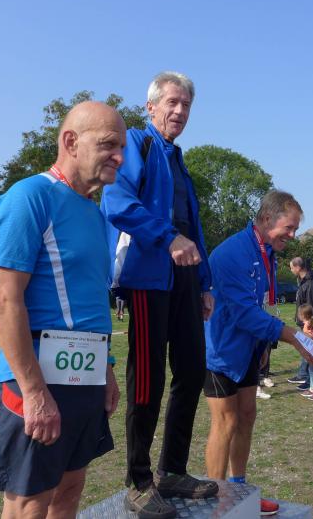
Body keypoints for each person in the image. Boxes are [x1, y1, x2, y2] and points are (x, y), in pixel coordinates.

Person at [0, 101, 123, 517]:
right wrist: (33, 391)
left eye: (122, 148)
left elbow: (90, 298)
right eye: (109, 144)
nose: (119, 157)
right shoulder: (28, 197)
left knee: (70, 487)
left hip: (86, 374)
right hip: (39, 376)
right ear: (71, 142)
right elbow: (3, 298)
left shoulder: (94, 213)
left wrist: (106, 368)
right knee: (30, 499)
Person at [100, 72, 218, 517]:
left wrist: (204, 282)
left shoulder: (178, 158)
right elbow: (117, 202)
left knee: (192, 371)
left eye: (186, 105)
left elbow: (193, 227)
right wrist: (167, 238)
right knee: (147, 380)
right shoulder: (138, 143)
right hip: (149, 276)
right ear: (151, 107)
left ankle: (173, 471)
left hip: (186, 277)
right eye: (172, 102)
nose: (180, 111)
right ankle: (139, 479)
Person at [203, 190, 313, 516]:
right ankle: (216, 502)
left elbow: (261, 303)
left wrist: (263, 345)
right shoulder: (232, 253)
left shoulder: (265, 252)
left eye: (295, 229)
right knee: (225, 421)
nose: (292, 236)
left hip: (248, 348)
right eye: (289, 227)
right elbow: (243, 312)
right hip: (221, 350)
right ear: (267, 219)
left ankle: (239, 491)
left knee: (247, 415)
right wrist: (293, 336)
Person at [289, 257, 313, 392]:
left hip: (309, 323)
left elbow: (312, 306)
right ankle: (304, 375)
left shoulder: (310, 284)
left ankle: (310, 381)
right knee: (306, 349)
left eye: (292, 267)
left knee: (310, 351)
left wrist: (308, 323)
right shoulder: (303, 282)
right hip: (305, 321)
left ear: (298, 267)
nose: (291, 270)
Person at [297, 304, 313, 400]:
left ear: (303, 315)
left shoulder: (308, 324)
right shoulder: (310, 322)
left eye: (299, 314)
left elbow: (310, 337)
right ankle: (312, 389)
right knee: (311, 371)